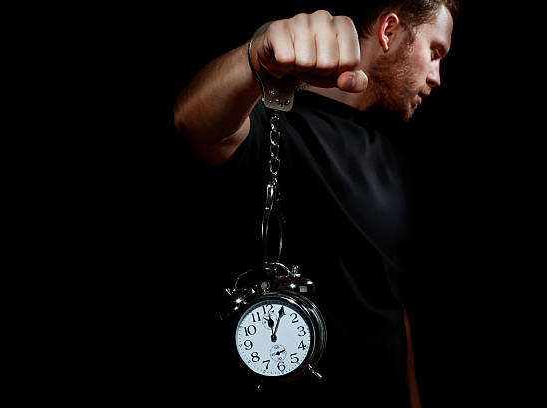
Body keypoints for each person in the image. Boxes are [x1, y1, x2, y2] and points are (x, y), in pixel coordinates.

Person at [173, 1, 458, 406]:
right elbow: (194, 121)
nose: (436, 75)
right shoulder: (274, 124)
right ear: (390, 32)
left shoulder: (393, 153)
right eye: (435, 52)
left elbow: (391, 301)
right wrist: (256, 55)